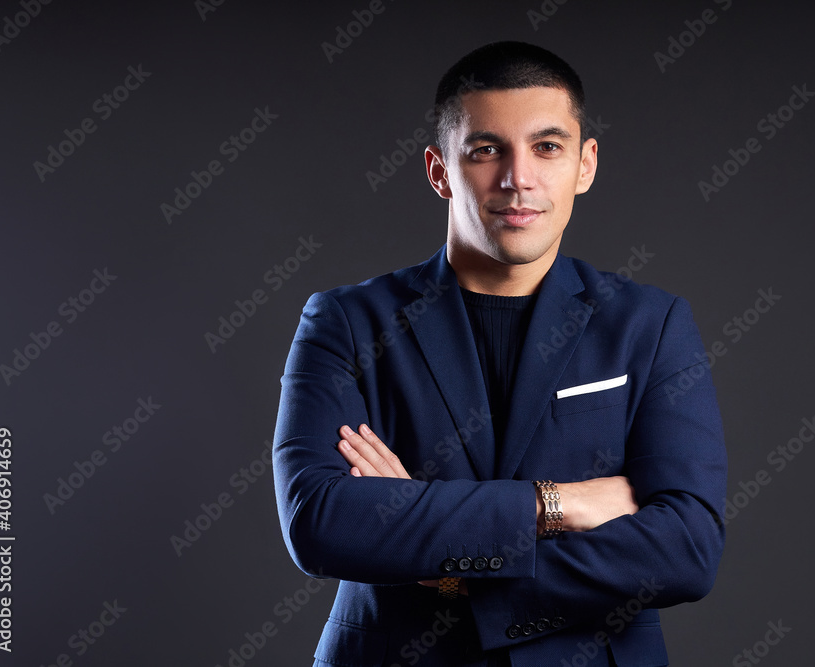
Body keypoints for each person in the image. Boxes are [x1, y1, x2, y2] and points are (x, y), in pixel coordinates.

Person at [273, 40, 727, 667]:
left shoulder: (651, 324)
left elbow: (685, 550)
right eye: (487, 150)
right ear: (440, 171)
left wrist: (447, 566)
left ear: (585, 164)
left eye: (547, 147)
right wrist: (558, 503)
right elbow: (321, 522)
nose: (519, 179)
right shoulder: (347, 321)